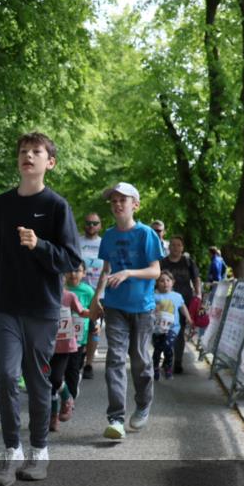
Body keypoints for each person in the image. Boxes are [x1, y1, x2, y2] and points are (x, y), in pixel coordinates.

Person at [0, 132, 81, 486]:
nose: (28, 155)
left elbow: (70, 259)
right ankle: (11, 450)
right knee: (7, 377)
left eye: (36, 152)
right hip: (8, 306)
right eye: (23, 151)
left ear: (49, 162)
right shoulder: (1, 204)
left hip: (42, 308)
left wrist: (39, 245)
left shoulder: (57, 206)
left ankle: (39, 450)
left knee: (38, 380)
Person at [91, 182, 162, 441]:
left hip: (143, 308)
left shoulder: (146, 234)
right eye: (114, 201)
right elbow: (106, 270)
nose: (118, 204)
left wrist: (130, 272)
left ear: (136, 204)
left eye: (123, 200)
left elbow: (155, 270)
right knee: (115, 359)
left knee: (141, 360)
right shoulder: (108, 236)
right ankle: (116, 418)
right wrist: (96, 299)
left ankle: (143, 403)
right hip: (115, 307)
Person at [48, 280, 88, 431]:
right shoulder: (42, 296)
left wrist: (95, 313)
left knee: (56, 378)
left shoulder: (69, 296)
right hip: (46, 346)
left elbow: (81, 311)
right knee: (49, 382)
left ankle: (67, 397)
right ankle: (53, 417)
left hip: (64, 346)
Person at [159, 235, 201, 374]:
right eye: (173, 245)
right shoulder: (162, 263)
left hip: (184, 301)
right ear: (169, 247)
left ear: (182, 248)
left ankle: (177, 362)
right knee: (164, 330)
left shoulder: (188, 262)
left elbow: (196, 279)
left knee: (179, 331)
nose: (176, 248)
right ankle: (167, 358)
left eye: (179, 245)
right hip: (165, 301)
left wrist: (198, 294)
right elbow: (155, 280)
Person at [62, 262, 95, 422]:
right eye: (69, 270)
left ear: (84, 273)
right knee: (61, 369)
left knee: (73, 369)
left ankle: (70, 398)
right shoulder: (60, 289)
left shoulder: (88, 291)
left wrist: (95, 325)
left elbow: (94, 309)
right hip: (60, 338)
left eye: (77, 270)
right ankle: (63, 394)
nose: (73, 274)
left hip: (79, 337)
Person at [152, 271, 193, 380]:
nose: (165, 283)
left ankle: (168, 367)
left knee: (168, 346)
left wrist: (188, 318)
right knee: (157, 350)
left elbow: (183, 307)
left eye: (168, 280)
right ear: (157, 283)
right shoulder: (154, 296)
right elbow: (148, 309)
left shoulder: (177, 296)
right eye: (161, 281)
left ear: (172, 282)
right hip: (157, 328)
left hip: (173, 328)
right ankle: (155, 367)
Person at [78, 212, 104, 380]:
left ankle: (89, 363)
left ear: (100, 225)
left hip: (99, 292)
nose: (91, 226)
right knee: (80, 324)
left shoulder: (104, 243)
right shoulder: (77, 241)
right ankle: (77, 355)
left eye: (95, 223)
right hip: (79, 290)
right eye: (88, 223)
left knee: (94, 328)